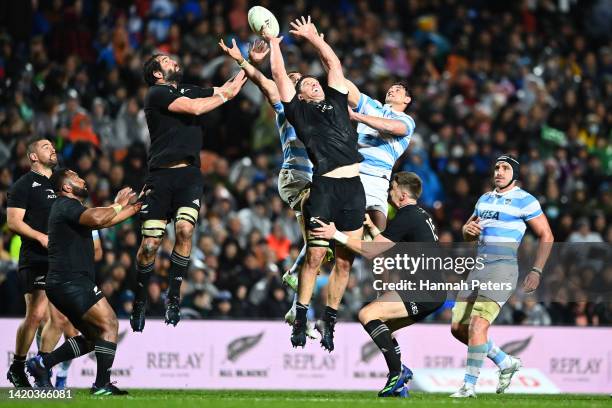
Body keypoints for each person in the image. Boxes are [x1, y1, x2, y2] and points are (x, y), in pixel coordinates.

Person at [265, 16, 365, 350]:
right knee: (315, 256)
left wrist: (313, 37)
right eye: (307, 84)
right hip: (325, 188)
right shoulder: (299, 113)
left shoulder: (337, 100)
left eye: (314, 82)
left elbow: (333, 63)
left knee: (346, 259)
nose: (314, 84)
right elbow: (279, 76)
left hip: (353, 187)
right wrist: (276, 44)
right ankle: (301, 316)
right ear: (300, 95)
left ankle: (330, 320)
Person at [130, 54, 247, 331]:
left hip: (189, 175)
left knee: (184, 231)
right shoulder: (156, 93)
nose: (173, 62)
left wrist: (248, 63)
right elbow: (195, 109)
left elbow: (228, 88)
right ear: (157, 74)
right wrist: (224, 97)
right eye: (166, 61)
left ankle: (173, 296)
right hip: (160, 176)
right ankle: (140, 299)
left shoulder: (189, 89)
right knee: (149, 246)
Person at [218, 38, 318, 339]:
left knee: (319, 244)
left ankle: (295, 300)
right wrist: (244, 61)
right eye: (293, 80)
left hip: (309, 180)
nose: (297, 81)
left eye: (301, 79)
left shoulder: (316, 114)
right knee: (319, 242)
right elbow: (264, 81)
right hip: (294, 179)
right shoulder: (285, 106)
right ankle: (295, 292)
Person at [312, 172, 443, 398]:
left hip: (424, 290)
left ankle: (396, 372)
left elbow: (372, 250)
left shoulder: (407, 216)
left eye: (392, 187)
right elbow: (387, 248)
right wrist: (373, 229)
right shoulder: (420, 215)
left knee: (367, 314)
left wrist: (336, 235)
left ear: (402, 194)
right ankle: (400, 380)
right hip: (431, 290)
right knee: (384, 327)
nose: (389, 191)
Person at [26, 168, 142, 395]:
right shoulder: (65, 205)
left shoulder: (69, 209)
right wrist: (118, 203)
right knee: (109, 324)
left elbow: (105, 221)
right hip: (71, 280)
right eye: (76, 177)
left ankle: (42, 364)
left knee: (94, 338)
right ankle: (101, 385)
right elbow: (100, 217)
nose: (82, 179)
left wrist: (135, 207)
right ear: (67, 188)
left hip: (64, 282)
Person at [450, 155, 554, 398]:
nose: (499, 171)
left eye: (505, 168)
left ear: (514, 175)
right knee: (457, 328)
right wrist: (466, 231)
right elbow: (468, 232)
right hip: (478, 268)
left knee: (478, 324)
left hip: (502, 269)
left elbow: (547, 235)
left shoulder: (525, 200)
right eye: (496, 167)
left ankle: (469, 387)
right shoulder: (484, 199)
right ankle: (505, 361)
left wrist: (537, 270)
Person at [6, 138, 58, 387]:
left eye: (53, 146)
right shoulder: (23, 185)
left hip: (59, 260)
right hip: (35, 258)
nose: (52, 149)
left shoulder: (59, 185)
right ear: (33, 157)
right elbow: (14, 222)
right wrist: (41, 237)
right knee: (36, 313)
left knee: (59, 319)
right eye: (46, 146)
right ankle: (17, 367)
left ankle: (42, 368)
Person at [345, 81, 416, 231]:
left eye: (398, 89)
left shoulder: (407, 121)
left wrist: (357, 117)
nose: (392, 90)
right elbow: (341, 82)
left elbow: (390, 127)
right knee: (335, 233)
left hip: (377, 180)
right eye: (391, 88)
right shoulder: (371, 105)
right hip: (353, 173)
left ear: (407, 99)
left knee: (377, 240)